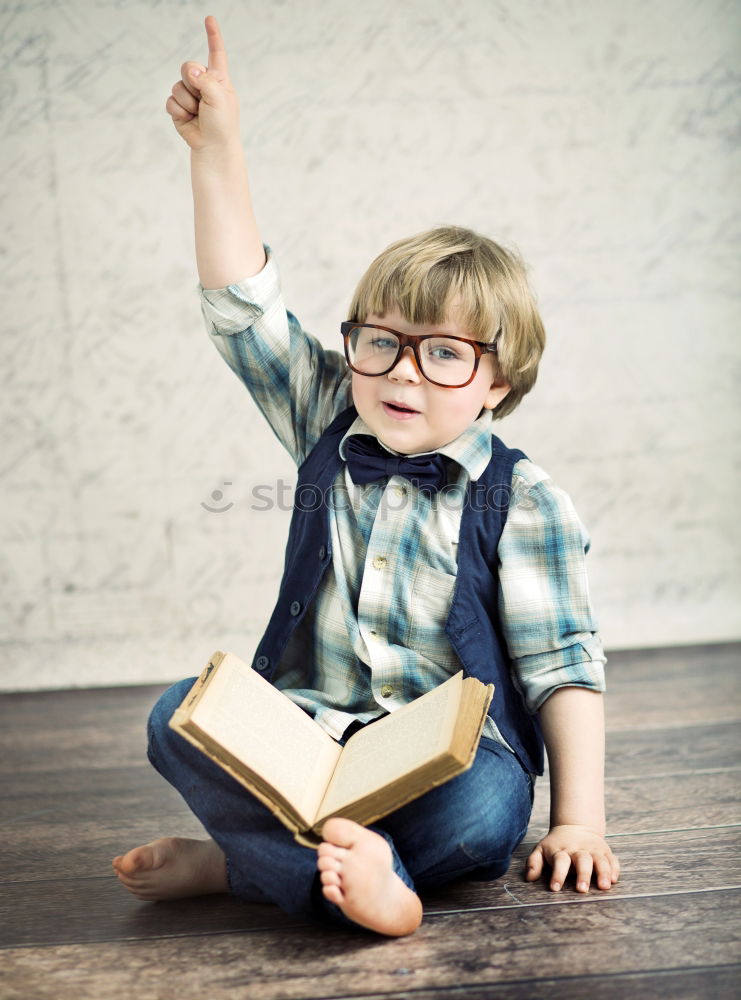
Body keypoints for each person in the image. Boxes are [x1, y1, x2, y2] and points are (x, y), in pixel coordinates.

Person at [112, 15, 620, 937]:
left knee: (482, 819)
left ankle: (252, 868)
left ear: (497, 383)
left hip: (440, 759)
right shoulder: (325, 418)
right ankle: (317, 870)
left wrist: (577, 819)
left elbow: (560, 668)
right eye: (380, 343)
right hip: (308, 728)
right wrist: (216, 151)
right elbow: (243, 311)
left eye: (442, 355)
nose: (400, 372)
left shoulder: (525, 498)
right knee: (168, 718)